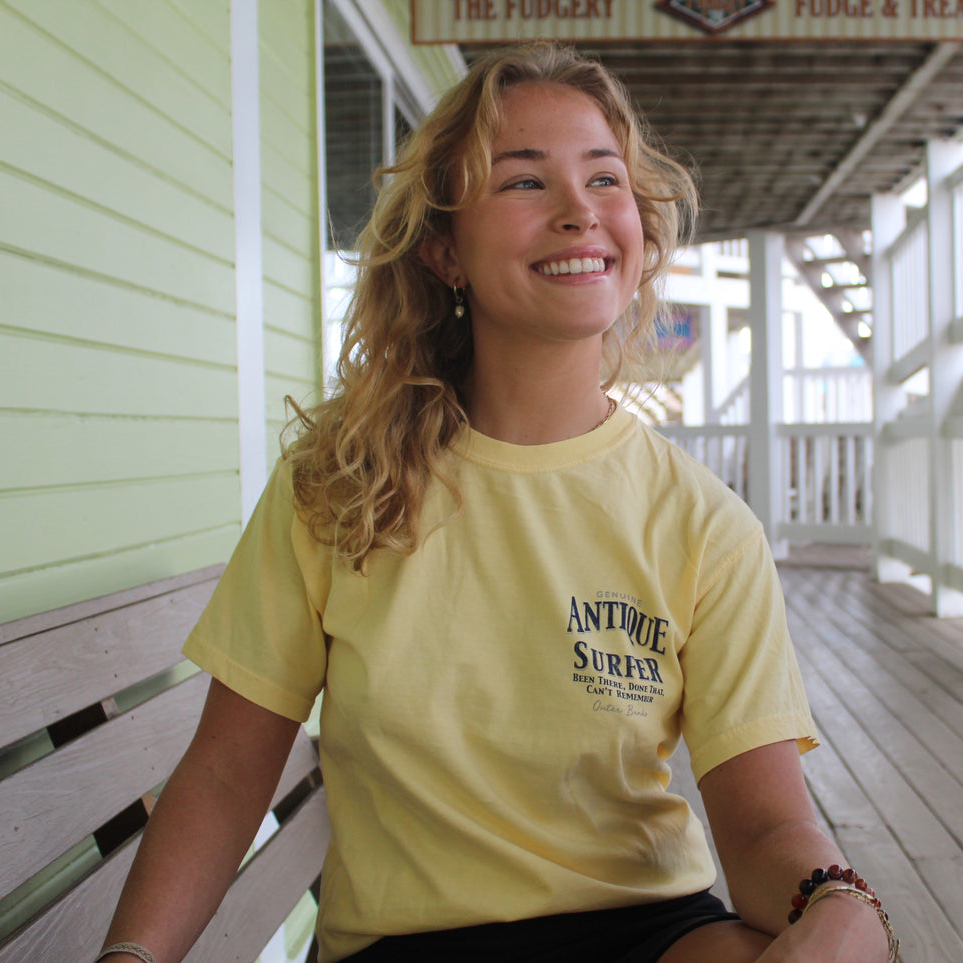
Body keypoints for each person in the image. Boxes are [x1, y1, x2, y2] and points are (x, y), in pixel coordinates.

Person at [99, 42, 898, 963]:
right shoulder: (339, 487)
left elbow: (761, 830)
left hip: (645, 928)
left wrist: (837, 899)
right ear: (442, 248)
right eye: (524, 184)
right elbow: (229, 771)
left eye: (605, 179)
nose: (579, 213)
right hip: (407, 941)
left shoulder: (704, 524)